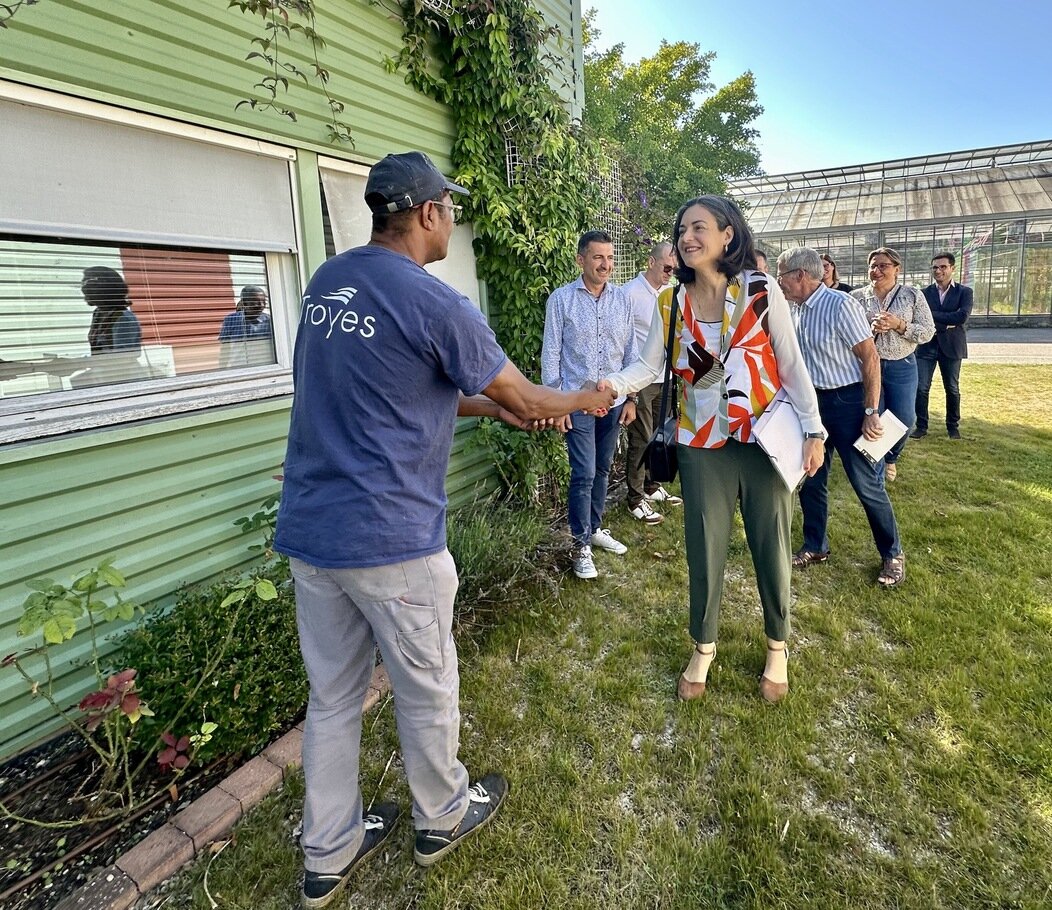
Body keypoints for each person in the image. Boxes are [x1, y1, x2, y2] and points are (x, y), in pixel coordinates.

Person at [273, 151, 613, 910]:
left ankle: (326, 856)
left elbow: (399, 387)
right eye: (449, 208)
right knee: (426, 685)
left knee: (330, 699)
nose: (453, 221)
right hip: (391, 540)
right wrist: (582, 401)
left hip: (311, 531)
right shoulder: (435, 301)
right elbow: (527, 397)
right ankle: (442, 815)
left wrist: (493, 406)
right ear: (427, 213)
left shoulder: (328, 283)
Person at [601, 196, 824, 704]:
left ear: (728, 235)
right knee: (704, 547)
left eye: (698, 228)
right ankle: (703, 648)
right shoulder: (670, 302)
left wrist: (814, 431)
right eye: (682, 230)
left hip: (763, 437)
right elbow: (648, 365)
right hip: (700, 442)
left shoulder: (763, 292)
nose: (687, 238)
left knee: (772, 544)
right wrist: (610, 386)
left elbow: (791, 365)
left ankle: (777, 648)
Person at [777, 248, 907, 588]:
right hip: (812, 405)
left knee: (865, 483)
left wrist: (870, 411)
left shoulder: (840, 305)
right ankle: (815, 545)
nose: (780, 282)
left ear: (801, 275)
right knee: (811, 476)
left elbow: (870, 358)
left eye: (782, 275)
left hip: (848, 403)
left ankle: (892, 553)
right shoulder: (795, 310)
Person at [542, 230, 637, 580]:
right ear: (581, 260)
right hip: (577, 404)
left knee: (602, 468)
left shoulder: (622, 300)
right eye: (599, 257)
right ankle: (580, 543)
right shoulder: (561, 300)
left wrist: (632, 398)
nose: (606, 265)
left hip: (613, 403)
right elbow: (551, 356)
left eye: (610, 258)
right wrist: (557, 405)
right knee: (583, 473)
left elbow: (631, 353)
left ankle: (594, 527)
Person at [850, 248, 934, 482]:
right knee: (872, 415)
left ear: (897, 269)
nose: (876, 271)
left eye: (883, 266)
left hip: (902, 364)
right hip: (868, 365)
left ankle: (892, 456)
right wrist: (869, 331)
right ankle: (874, 466)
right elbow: (846, 333)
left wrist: (899, 324)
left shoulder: (912, 295)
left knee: (905, 418)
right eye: (873, 266)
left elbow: (927, 332)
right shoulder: (856, 297)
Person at [621, 242, 683, 524]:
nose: (671, 273)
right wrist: (629, 390)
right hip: (641, 380)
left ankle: (650, 485)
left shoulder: (670, 295)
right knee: (641, 436)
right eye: (667, 268)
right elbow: (623, 341)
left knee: (659, 434)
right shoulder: (629, 295)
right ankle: (635, 499)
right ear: (651, 262)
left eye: (675, 269)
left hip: (665, 376)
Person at [914, 252, 973, 439]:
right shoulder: (923, 293)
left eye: (943, 267)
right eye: (935, 267)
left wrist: (933, 317)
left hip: (952, 347)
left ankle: (952, 427)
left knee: (952, 388)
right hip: (926, 346)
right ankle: (921, 426)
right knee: (921, 388)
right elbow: (920, 318)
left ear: (952, 268)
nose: (938, 270)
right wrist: (946, 322)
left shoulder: (964, 292)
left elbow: (961, 317)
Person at [81, 267, 141, 354]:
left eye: (90, 286)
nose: (84, 290)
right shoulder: (98, 313)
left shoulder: (123, 318)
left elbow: (123, 357)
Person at [218, 285, 274, 369]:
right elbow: (225, 349)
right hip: (238, 368)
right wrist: (222, 369)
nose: (261, 305)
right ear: (244, 303)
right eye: (256, 302)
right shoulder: (231, 320)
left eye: (264, 302)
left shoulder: (269, 321)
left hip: (263, 368)